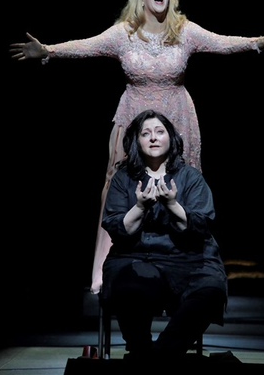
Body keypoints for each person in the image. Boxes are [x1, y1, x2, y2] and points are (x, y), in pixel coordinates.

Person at [9, 0, 264, 294]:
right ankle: (103, 269)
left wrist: (258, 42)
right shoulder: (123, 33)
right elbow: (86, 46)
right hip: (133, 112)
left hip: (177, 115)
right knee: (113, 183)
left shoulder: (183, 31)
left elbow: (221, 42)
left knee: (184, 183)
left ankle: (190, 262)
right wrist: (48, 50)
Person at [100, 108, 228, 361]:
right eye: (146, 133)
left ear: (171, 138)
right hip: (136, 256)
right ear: (136, 141)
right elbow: (116, 227)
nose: (154, 138)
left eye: (160, 132)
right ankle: (141, 349)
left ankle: (159, 357)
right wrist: (140, 206)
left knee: (210, 290)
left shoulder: (190, 177)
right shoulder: (123, 178)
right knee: (130, 286)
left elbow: (199, 225)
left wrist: (171, 204)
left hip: (188, 257)